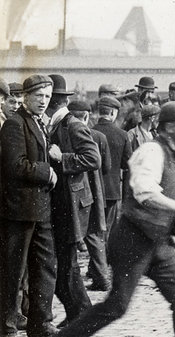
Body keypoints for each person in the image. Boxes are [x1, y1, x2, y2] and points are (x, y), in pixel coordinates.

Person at [43, 101, 175, 337]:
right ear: (169, 127)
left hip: (159, 242)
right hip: (132, 241)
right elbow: (144, 193)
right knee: (117, 305)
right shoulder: (151, 151)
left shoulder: (173, 152)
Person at [0, 75, 58, 337]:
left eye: (47, 97)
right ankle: (7, 325)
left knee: (45, 266)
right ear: (25, 97)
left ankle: (41, 323)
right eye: (38, 96)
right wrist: (47, 172)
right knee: (15, 269)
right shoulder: (14, 124)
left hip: (40, 208)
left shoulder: (39, 123)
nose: (43, 102)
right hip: (19, 209)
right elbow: (15, 166)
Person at [46, 74, 101, 324]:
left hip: (73, 203)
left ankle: (80, 312)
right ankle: (78, 311)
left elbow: (93, 159)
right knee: (65, 260)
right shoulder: (56, 125)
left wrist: (62, 158)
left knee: (67, 261)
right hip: (63, 201)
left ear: (53, 101)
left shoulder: (73, 125)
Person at [68, 101, 111, 292]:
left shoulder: (68, 133)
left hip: (78, 192)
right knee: (95, 236)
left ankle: (97, 277)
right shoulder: (98, 136)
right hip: (96, 191)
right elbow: (106, 166)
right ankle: (102, 276)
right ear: (86, 116)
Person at [92, 96, 132, 237]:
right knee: (109, 229)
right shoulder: (122, 135)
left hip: (92, 189)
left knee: (94, 228)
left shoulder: (89, 132)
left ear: (99, 112)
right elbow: (127, 163)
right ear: (113, 113)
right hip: (112, 189)